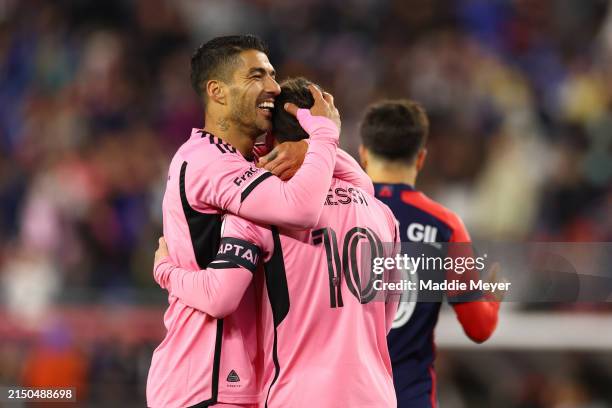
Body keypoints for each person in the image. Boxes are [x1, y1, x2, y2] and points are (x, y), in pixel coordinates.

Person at [153, 77, 399, 407]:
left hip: (300, 393)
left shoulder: (261, 211)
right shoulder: (383, 216)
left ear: (270, 140)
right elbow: (387, 316)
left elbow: (219, 295)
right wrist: (317, 147)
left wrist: (166, 270)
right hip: (377, 394)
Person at [358, 99, 500, 408]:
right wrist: (492, 300)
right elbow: (479, 328)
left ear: (364, 154)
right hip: (409, 397)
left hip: (341, 396)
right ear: (421, 158)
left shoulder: (330, 215)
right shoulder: (444, 226)